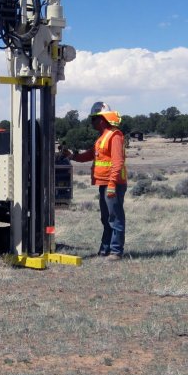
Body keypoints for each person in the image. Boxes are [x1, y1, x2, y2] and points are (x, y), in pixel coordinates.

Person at [65, 102, 128, 260]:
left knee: (115, 218)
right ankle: (105, 249)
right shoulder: (102, 138)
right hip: (104, 183)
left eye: (93, 119)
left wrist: (112, 184)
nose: (91, 122)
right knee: (106, 219)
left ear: (101, 119)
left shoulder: (115, 136)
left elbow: (117, 162)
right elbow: (89, 155)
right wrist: (72, 156)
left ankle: (115, 251)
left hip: (113, 184)